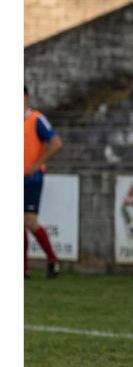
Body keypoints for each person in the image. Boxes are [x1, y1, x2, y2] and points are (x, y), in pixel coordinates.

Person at [24, 90, 61, 278]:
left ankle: (52, 260)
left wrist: (38, 164)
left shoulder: (36, 119)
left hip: (31, 179)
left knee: (29, 221)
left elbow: (56, 142)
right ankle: (22, 269)